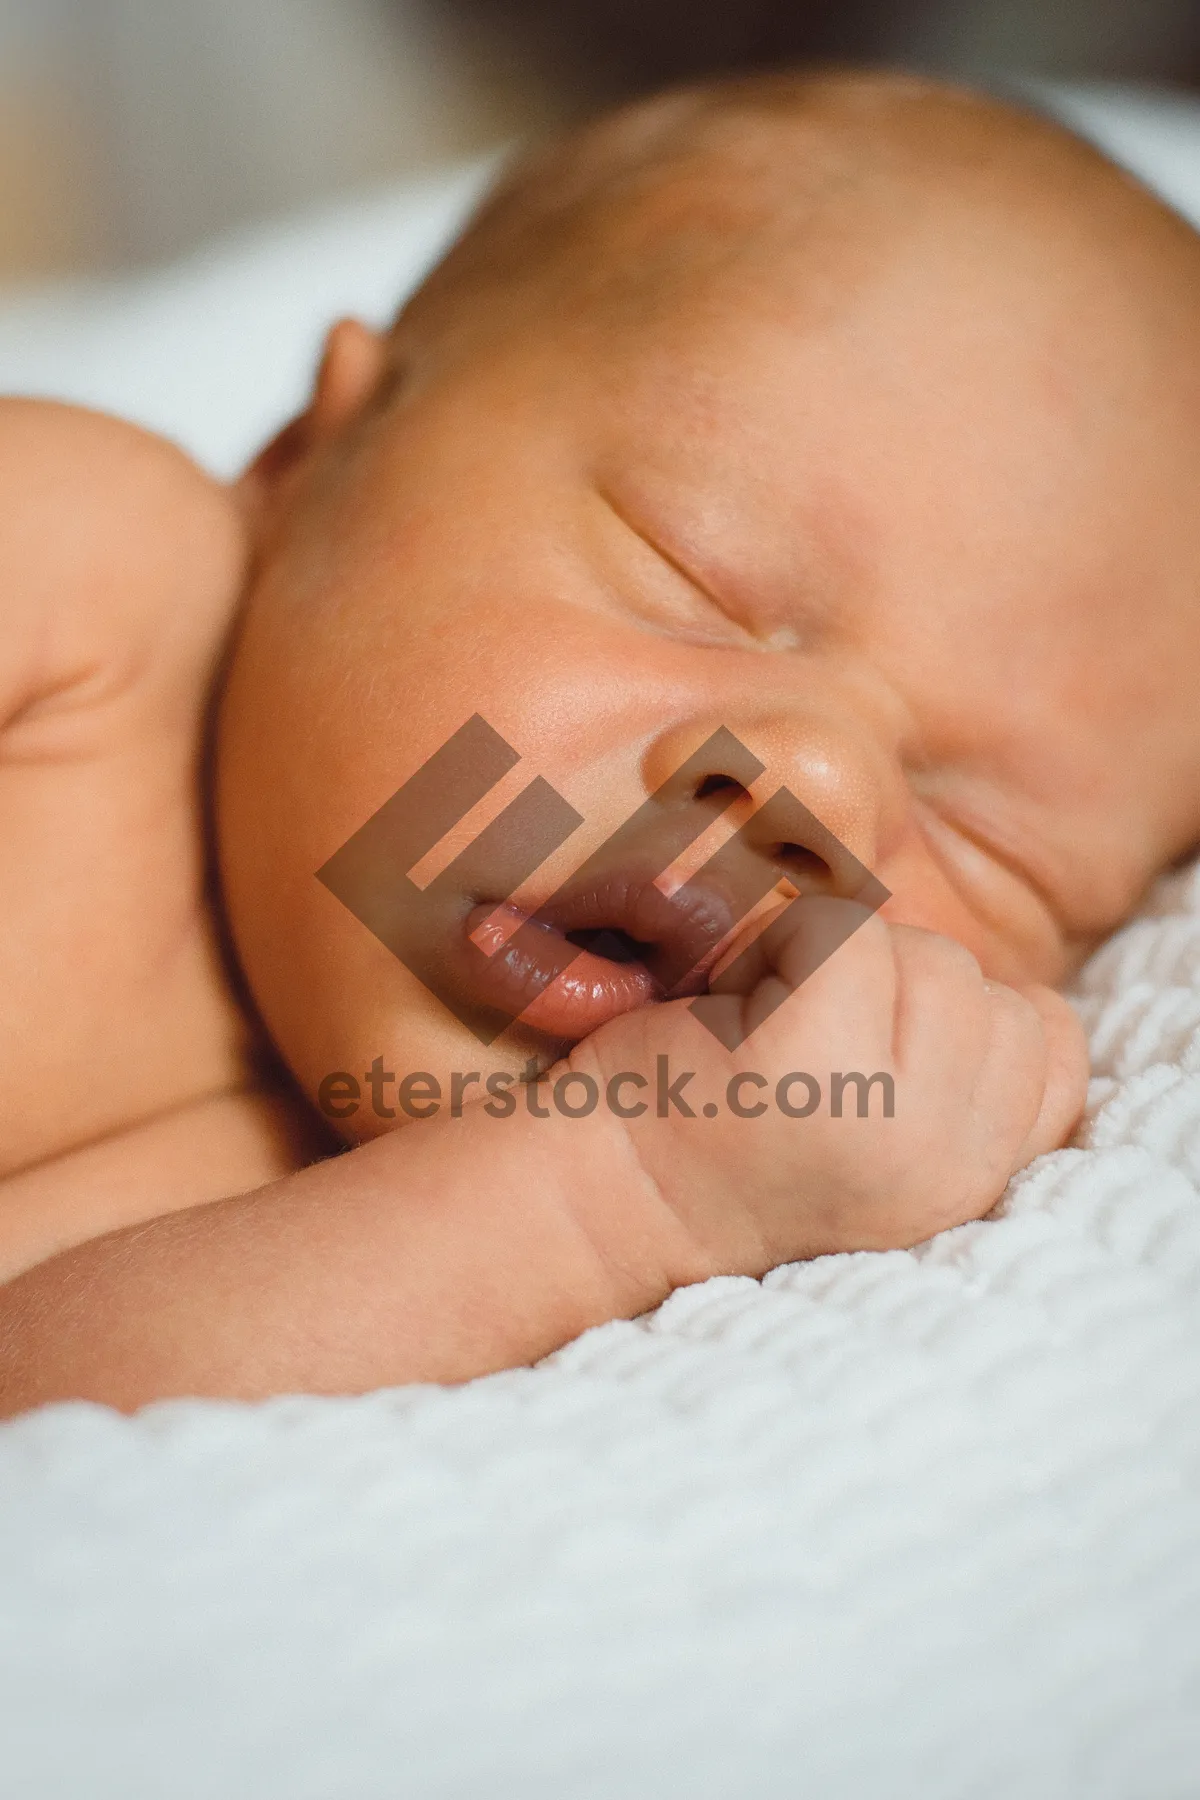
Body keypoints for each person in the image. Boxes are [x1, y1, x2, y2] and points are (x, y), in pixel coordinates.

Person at [6, 69, 1200, 1414]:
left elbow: (52, 1428)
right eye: (701, 576)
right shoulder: (95, 586)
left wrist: (632, 1185)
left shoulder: (372, 1215)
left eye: (995, 843)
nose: (818, 785)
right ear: (312, 453)